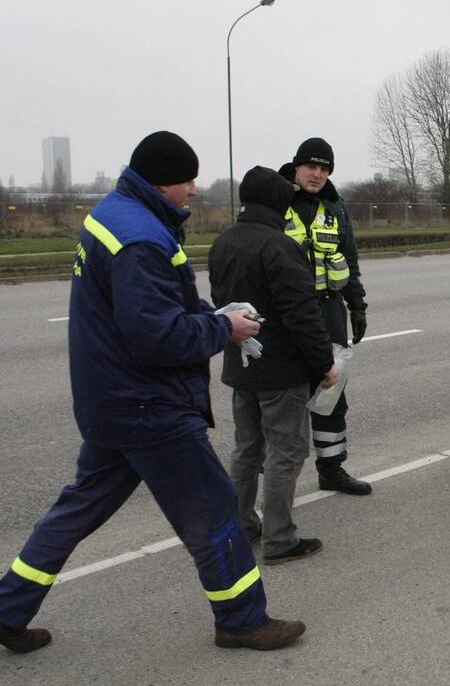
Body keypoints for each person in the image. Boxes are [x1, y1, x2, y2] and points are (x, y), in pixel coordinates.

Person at [0, 132, 304, 654]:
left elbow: (142, 318)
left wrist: (208, 315)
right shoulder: (142, 239)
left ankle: (6, 610)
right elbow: (155, 336)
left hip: (109, 398)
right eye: (187, 181)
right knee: (213, 510)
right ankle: (241, 619)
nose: (192, 190)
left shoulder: (113, 214)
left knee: (77, 509)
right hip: (149, 404)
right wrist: (222, 330)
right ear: (164, 183)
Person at [209, 166, 338, 565]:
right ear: (279, 203)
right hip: (281, 371)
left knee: (247, 448)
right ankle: (280, 539)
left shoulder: (223, 242)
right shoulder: (279, 247)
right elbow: (302, 315)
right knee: (287, 451)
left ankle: (243, 525)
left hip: (242, 366)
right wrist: (324, 364)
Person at [278, 138, 371, 496]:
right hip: (287, 315)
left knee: (332, 394)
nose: (317, 174)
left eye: (324, 168)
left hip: (330, 311)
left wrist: (357, 306)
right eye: (310, 167)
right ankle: (272, 483)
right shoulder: (277, 201)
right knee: (283, 398)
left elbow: (350, 261)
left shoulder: (336, 207)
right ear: (296, 166)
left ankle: (331, 468)